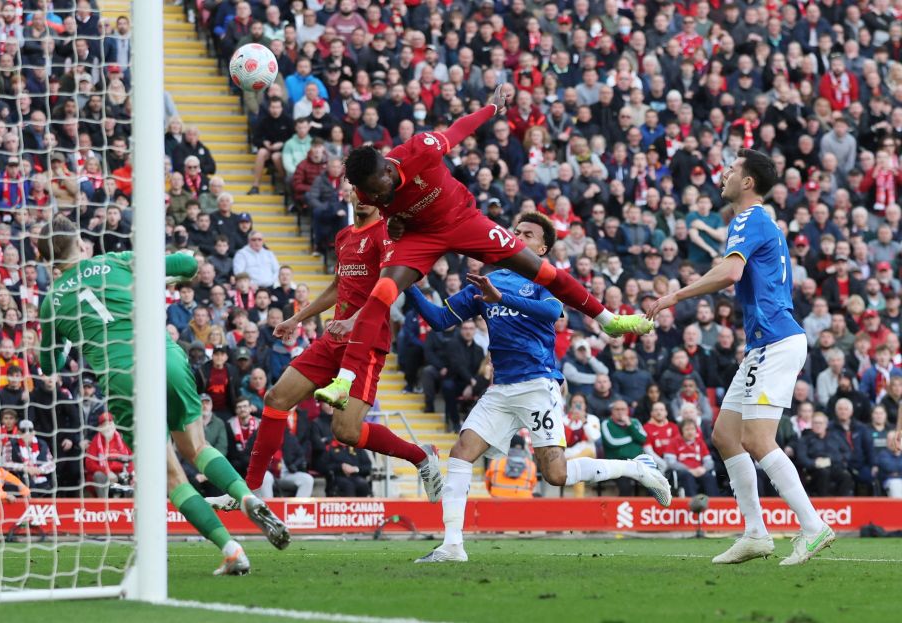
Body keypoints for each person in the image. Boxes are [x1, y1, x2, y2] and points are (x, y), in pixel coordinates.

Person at [313, 84, 653, 411]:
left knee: (543, 270)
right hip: (420, 237)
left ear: (388, 169)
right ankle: (344, 381)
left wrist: (492, 107)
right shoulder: (365, 189)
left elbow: (461, 128)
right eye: (368, 194)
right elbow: (387, 215)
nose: (374, 197)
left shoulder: (422, 149)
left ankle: (608, 320)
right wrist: (393, 222)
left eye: (378, 189)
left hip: (464, 221)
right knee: (381, 293)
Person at [36, 216, 289, 576]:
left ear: (48, 259)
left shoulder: (52, 302)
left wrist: (63, 342)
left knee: (171, 476)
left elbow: (50, 364)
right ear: (79, 242)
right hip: (165, 357)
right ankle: (246, 497)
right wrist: (175, 260)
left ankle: (231, 550)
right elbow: (188, 265)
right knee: (198, 448)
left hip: (123, 378)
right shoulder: (116, 260)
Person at [412, 214, 669, 563]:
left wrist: (500, 296)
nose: (517, 236)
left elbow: (550, 313)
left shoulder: (544, 279)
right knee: (461, 453)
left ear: (542, 247)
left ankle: (636, 468)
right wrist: (405, 283)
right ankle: (452, 545)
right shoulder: (485, 280)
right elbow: (440, 319)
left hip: (538, 382)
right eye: (515, 232)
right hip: (501, 387)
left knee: (556, 474)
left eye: (527, 234)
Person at [648, 149, 834, 565]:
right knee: (726, 436)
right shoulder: (759, 221)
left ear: (747, 182)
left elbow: (730, 273)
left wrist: (675, 295)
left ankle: (812, 525)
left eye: (732, 169)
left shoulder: (748, 218)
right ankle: (755, 532)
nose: (725, 173)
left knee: (756, 439)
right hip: (764, 343)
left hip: (775, 340)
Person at [207, 200, 442, 512]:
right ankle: (248, 489)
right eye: (356, 189)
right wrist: (296, 318)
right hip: (332, 339)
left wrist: (354, 320)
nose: (361, 197)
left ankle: (421, 455)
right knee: (276, 398)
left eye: (367, 190)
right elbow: (336, 287)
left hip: (367, 342)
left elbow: (389, 290)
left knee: (346, 432)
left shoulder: (386, 235)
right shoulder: (344, 235)